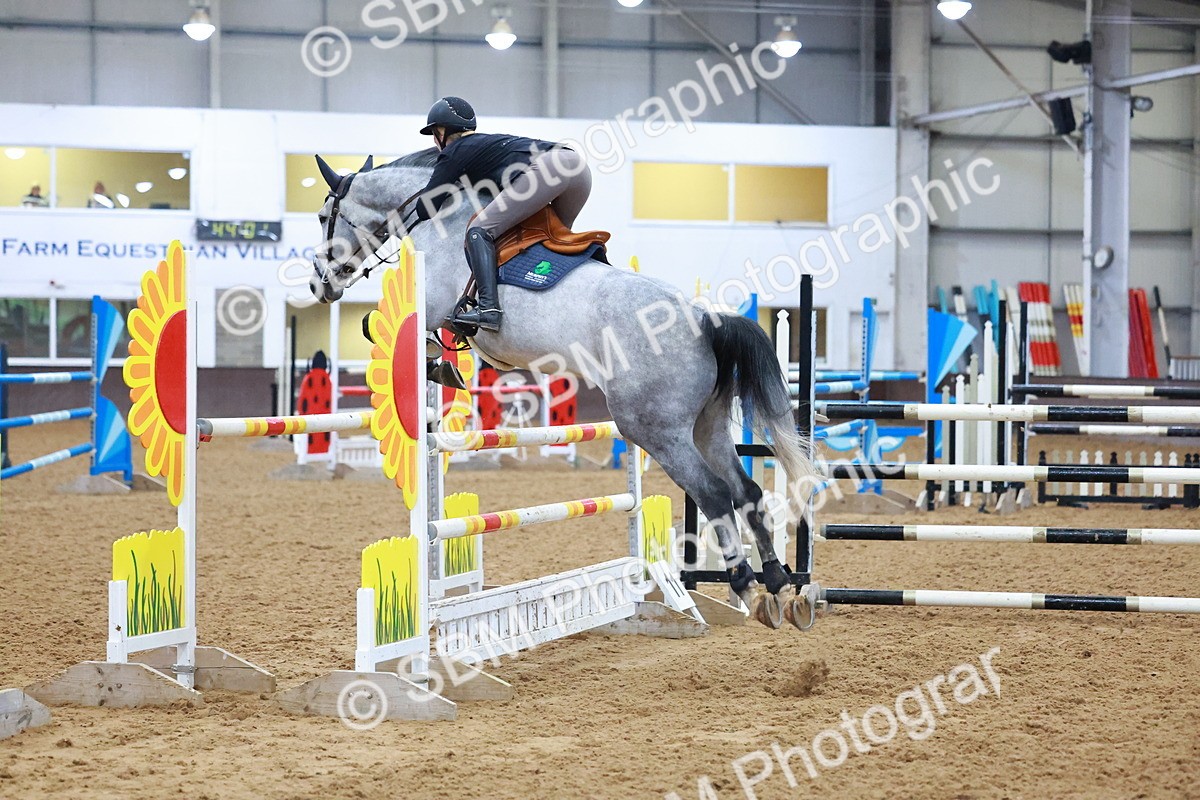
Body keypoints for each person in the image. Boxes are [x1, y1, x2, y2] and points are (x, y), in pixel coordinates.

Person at [414, 96, 592, 332]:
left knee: (478, 231)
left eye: (434, 134)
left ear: (441, 131)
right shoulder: (486, 144)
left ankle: (489, 309)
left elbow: (426, 208)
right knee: (553, 239)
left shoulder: (454, 151)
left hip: (548, 169)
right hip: (578, 168)